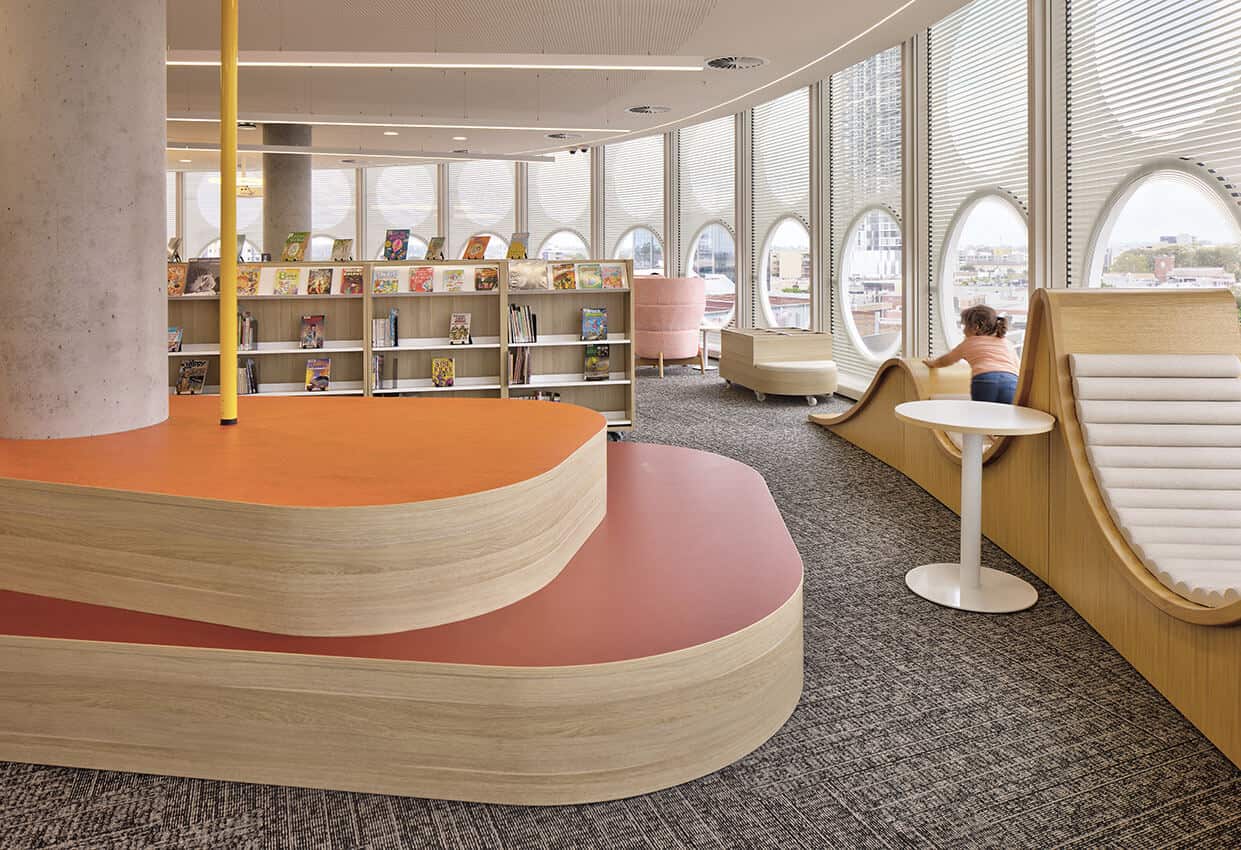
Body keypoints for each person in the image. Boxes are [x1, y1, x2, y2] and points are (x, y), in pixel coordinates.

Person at [923, 305, 1020, 403]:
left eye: (965, 326)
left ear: (975, 327)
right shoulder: (1007, 343)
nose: (963, 330)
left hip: (984, 380)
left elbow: (948, 359)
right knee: (1005, 414)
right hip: (1011, 382)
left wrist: (933, 363)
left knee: (981, 415)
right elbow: (1017, 365)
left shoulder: (969, 342)